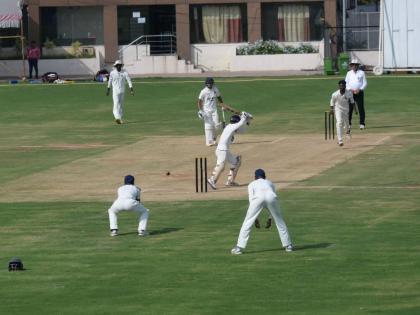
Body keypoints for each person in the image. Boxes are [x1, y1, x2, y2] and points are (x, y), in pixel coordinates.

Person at [231, 169, 293, 255]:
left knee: (247, 223)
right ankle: (288, 245)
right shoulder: (270, 183)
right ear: (265, 177)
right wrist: (270, 218)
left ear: (255, 177)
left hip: (257, 199)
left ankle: (239, 248)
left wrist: (254, 218)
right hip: (271, 197)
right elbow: (273, 197)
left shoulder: (251, 184)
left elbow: (251, 200)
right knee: (280, 221)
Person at [207, 112, 252, 189]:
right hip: (222, 150)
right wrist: (244, 116)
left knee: (236, 162)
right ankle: (212, 180)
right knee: (221, 166)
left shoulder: (231, 127)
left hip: (224, 150)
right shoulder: (231, 127)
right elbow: (240, 124)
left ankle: (230, 181)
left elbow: (242, 130)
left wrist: (247, 121)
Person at [197, 77, 240, 146]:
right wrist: (200, 110)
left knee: (217, 126)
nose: (210, 85)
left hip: (214, 110)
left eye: (211, 84)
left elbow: (220, 99)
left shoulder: (215, 89)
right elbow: (199, 101)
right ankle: (209, 142)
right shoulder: (203, 92)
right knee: (209, 125)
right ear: (206, 84)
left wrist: (223, 106)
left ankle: (214, 138)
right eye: (209, 84)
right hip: (206, 111)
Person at [106, 60, 134, 124]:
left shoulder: (125, 72)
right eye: (117, 65)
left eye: (120, 65)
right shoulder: (112, 73)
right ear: (115, 66)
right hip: (115, 91)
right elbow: (109, 81)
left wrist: (131, 89)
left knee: (121, 105)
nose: (119, 66)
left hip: (122, 91)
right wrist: (108, 89)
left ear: (121, 66)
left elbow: (129, 81)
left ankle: (120, 119)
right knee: (116, 104)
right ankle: (117, 118)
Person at [330, 80, 355, 146]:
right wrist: (331, 110)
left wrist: (355, 110)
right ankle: (340, 140)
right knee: (339, 122)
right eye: (340, 86)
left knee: (347, 124)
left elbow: (352, 102)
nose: (341, 87)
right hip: (338, 109)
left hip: (346, 110)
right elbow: (332, 102)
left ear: (345, 86)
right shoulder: (335, 94)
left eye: (343, 86)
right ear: (339, 86)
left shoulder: (349, 93)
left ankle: (347, 131)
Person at [345, 59, 367, 130]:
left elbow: (365, 83)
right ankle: (349, 124)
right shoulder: (348, 73)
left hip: (359, 92)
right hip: (350, 93)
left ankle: (362, 124)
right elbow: (346, 83)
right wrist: (351, 89)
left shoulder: (362, 73)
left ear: (358, 65)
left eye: (355, 65)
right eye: (352, 65)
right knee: (349, 109)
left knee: (361, 108)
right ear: (351, 66)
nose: (354, 66)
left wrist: (360, 89)